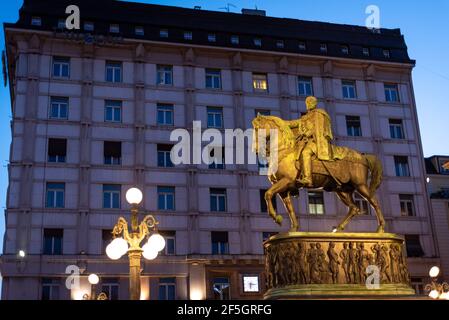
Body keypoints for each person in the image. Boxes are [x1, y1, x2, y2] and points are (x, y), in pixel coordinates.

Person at [288, 96, 334, 187]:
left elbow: (318, 128)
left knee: (306, 153)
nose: (308, 104)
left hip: (316, 142)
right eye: (307, 102)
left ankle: (308, 178)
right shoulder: (305, 117)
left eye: (310, 102)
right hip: (304, 142)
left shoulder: (319, 114)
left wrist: (307, 134)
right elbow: (293, 123)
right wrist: (280, 123)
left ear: (315, 103)